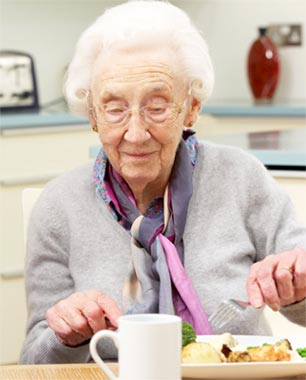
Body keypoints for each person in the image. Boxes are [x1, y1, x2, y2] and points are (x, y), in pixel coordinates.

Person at [20, 0, 306, 364]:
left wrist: (297, 287)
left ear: (192, 107)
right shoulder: (59, 205)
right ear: (92, 114)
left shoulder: (242, 178)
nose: (136, 134)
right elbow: (35, 360)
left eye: (157, 107)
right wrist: (66, 336)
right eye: (114, 108)